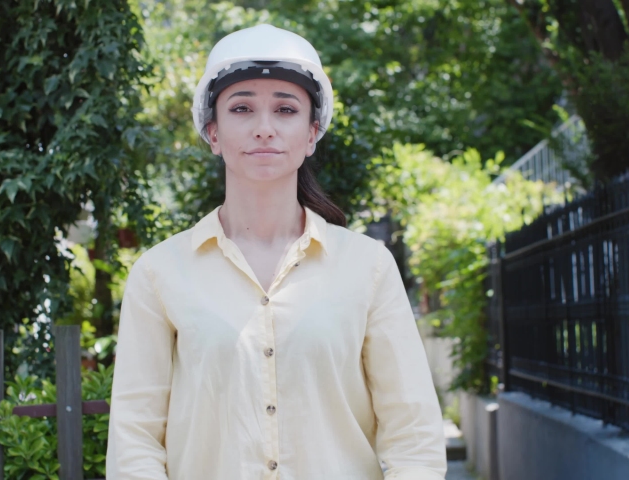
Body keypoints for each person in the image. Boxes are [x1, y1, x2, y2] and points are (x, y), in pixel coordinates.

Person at [106, 24, 446, 480]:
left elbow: (413, 436)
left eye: (285, 109)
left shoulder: (368, 267)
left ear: (311, 134)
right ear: (213, 132)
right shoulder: (158, 274)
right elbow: (135, 441)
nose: (264, 128)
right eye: (242, 107)